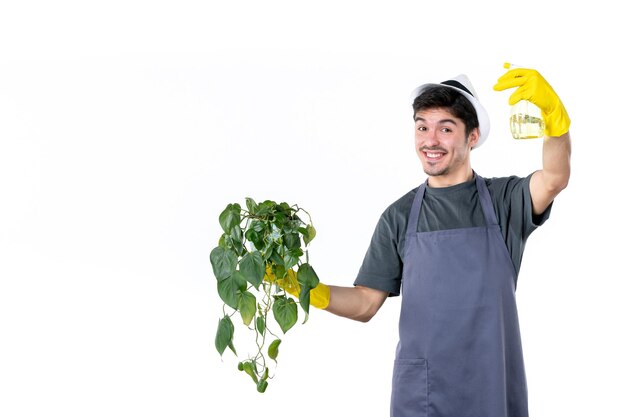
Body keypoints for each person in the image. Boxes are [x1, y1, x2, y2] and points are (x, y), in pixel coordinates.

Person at [276, 65, 571, 417]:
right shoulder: (399, 216)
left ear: (472, 136)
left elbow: (554, 178)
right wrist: (307, 288)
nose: (430, 140)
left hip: (491, 383)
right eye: (422, 127)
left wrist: (555, 121)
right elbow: (365, 303)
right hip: (423, 393)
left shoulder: (505, 201)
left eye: (446, 128)